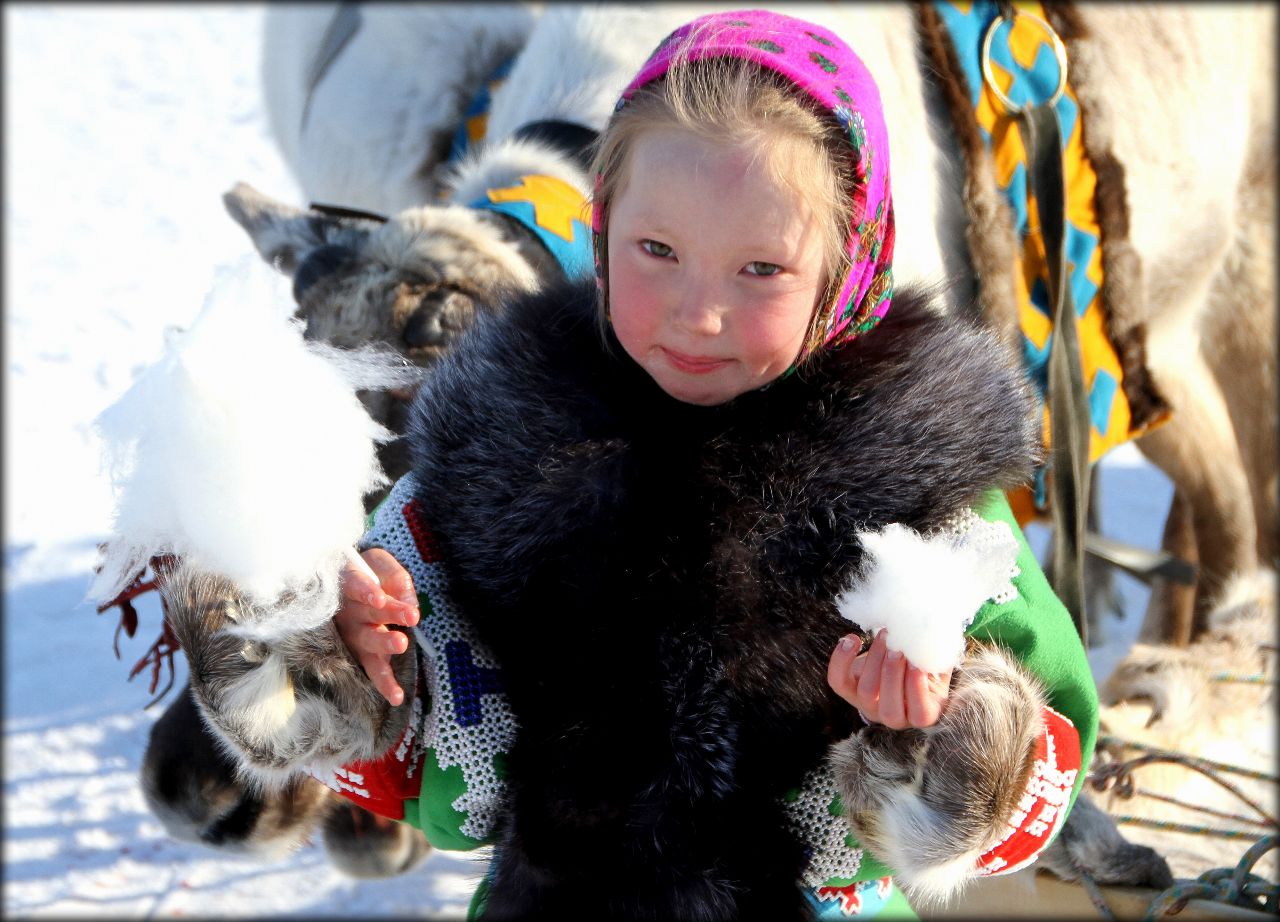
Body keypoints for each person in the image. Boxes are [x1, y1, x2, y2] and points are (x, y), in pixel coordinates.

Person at [170, 10, 1097, 919]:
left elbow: (1027, 783)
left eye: (760, 270)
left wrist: (942, 737)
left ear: (848, 266)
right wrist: (342, 660)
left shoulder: (920, 489)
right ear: (603, 232)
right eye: (658, 251)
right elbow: (429, 785)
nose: (698, 314)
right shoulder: (500, 452)